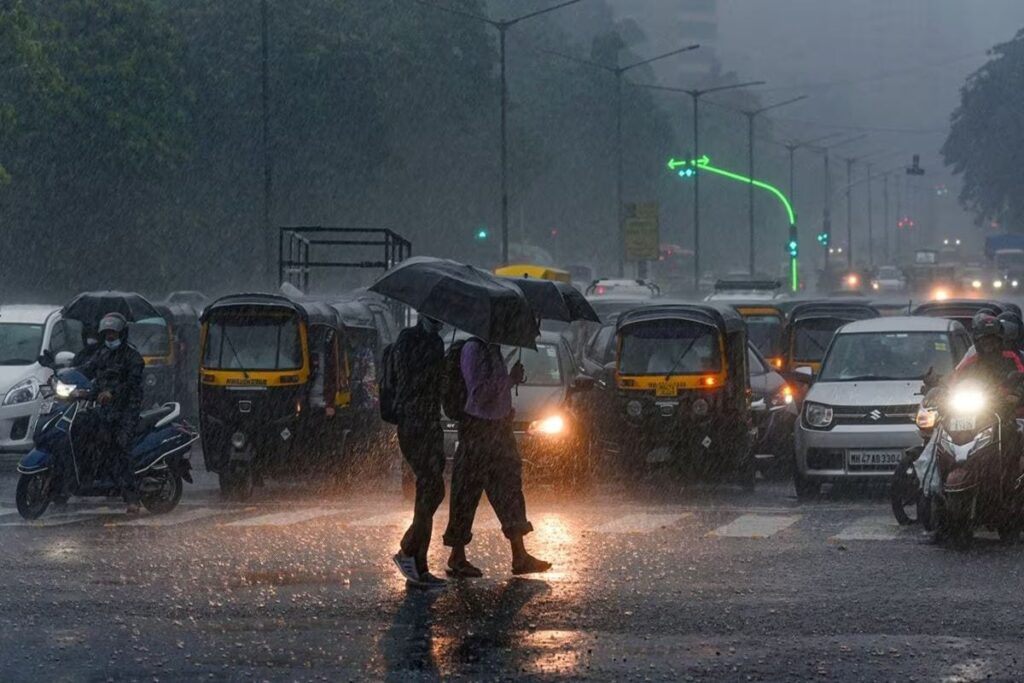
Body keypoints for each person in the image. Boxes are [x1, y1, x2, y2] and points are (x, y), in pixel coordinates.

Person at [443, 338, 551, 578]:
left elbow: (494, 395)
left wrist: (506, 406)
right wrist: (509, 380)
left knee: (509, 489)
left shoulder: (494, 350)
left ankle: (519, 555)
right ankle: (457, 555)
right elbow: (479, 393)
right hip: (478, 430)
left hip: (499, 429)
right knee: (466, 493)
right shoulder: (474, 350)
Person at [390, 315, 448, 587]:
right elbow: (407, 381)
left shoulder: (437, 343)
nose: (439, 323)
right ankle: (412, 556)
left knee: (433, 490)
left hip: (431, 422)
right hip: (412, 422)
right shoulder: (407, 339)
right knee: (430, 486)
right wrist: (436, 367)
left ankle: (414, 554)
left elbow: (439, 389)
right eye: (435, 317)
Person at [81, 312, 146, 513]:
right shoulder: (101, 354)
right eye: (107, 334)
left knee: (120, 446)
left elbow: (132, 384)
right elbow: (86, 370)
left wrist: (112, 393)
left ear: (122, 334)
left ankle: (131, 496)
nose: (110, 337)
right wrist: (59, 370)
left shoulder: (133, 357)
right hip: (104, 409)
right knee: (84, 434)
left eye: (113, 334)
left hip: (126, 410)